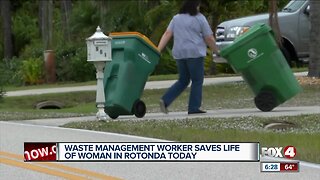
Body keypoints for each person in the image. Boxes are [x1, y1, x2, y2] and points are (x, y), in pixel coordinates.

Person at [157, 0, 220, 114]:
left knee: (183, 80)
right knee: (197, 80)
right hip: (194, 53)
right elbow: (209, 38)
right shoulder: (200, 18)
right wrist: (217, 51)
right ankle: (193, 108)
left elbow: (167, 33)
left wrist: (158, 49)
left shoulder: (176, 18)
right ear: (196, 5)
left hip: (180, 54)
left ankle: (165, 100)